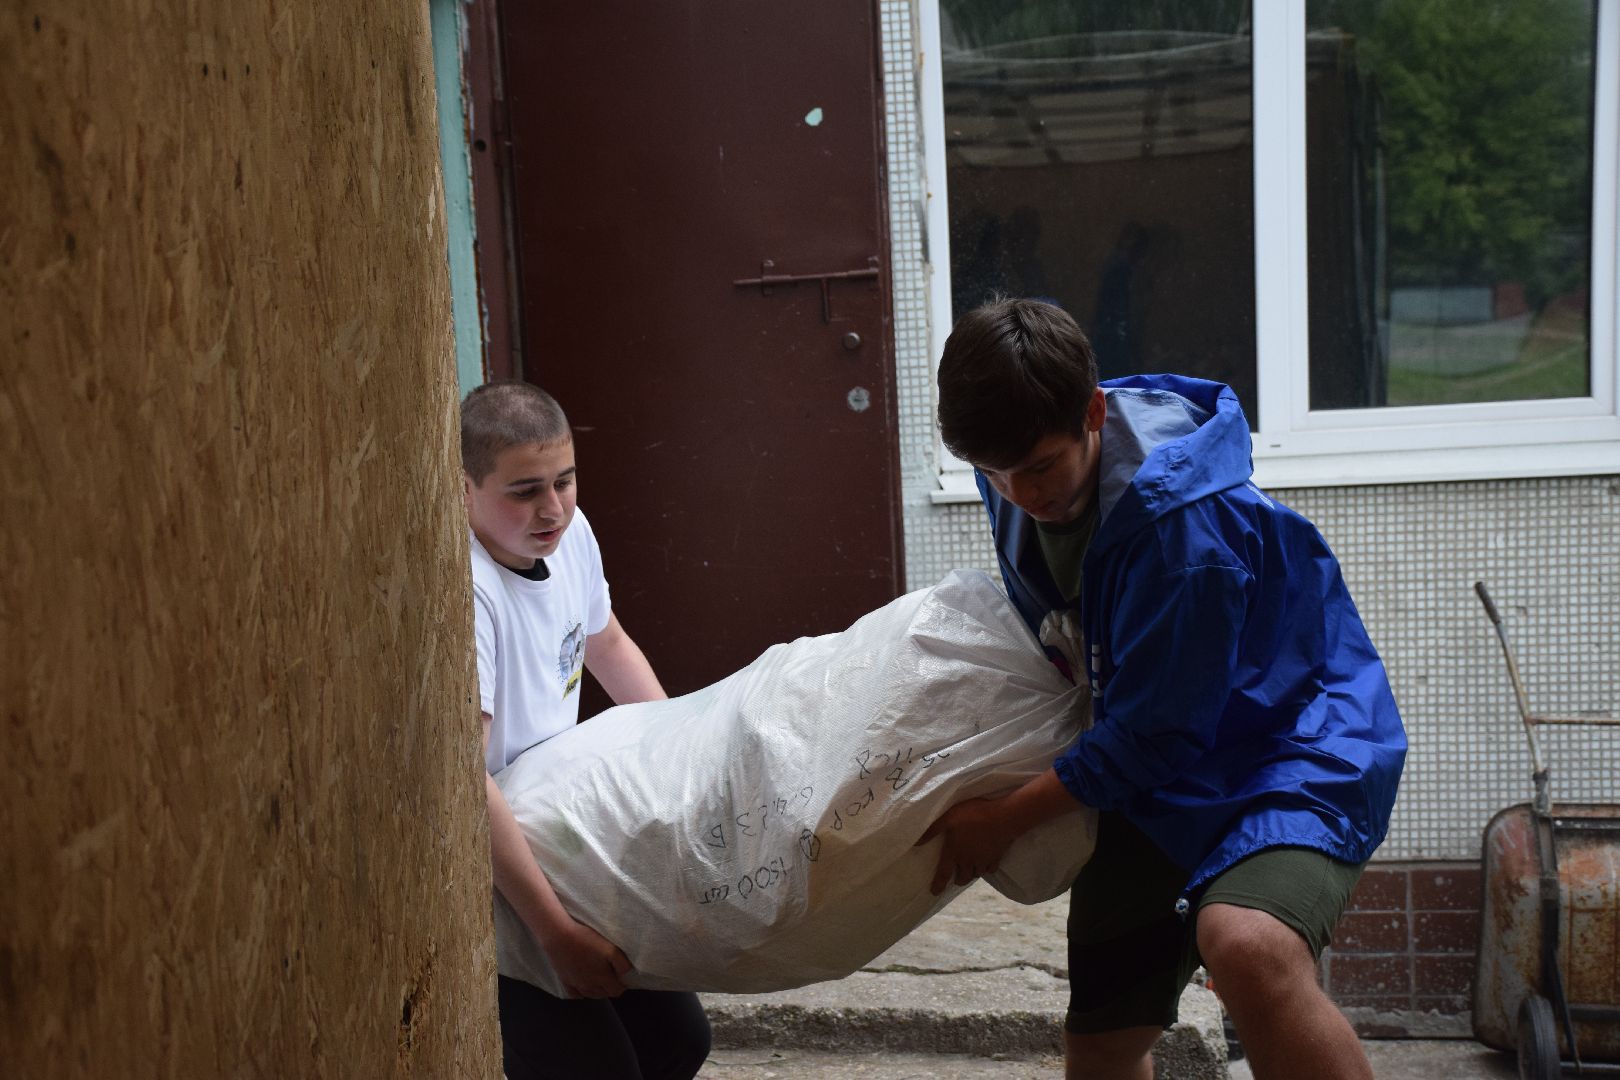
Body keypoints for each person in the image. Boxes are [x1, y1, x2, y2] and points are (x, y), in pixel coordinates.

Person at [920, 299, 1406, 1080]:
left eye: (1039, 468)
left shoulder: (1188, 532)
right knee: (1105, 1043)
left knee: (1246, 945)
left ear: (1093, 411)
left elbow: (1155, 734)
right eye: (993, 474)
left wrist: (1005, 818)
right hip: (1160, 775)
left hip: (1289, 746)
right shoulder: (1017, 458)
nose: (1019, 493)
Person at [461, 381, 711, 1080]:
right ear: (464, 491)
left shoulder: (571, 535)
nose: (552, 509)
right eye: (524, 491)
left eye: (565, 481)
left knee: (679, 1042)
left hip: (572, 848)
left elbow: (607, 645)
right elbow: (466, 786)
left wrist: (684, 758)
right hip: (502, 882)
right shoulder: (469, 590)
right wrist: (556, 936)